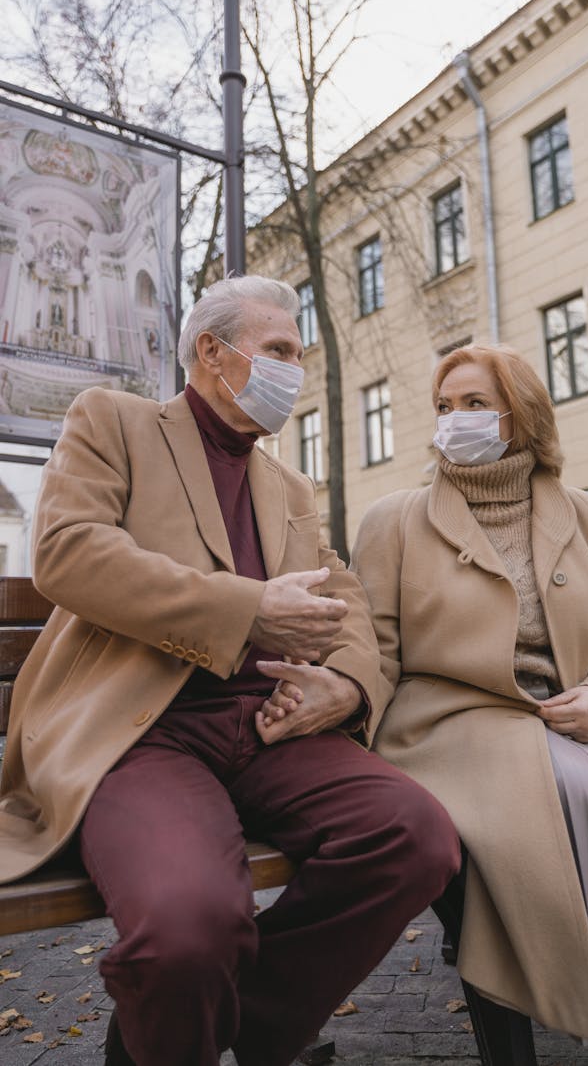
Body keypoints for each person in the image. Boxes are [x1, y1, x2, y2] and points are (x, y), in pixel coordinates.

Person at [0, 275, 460, 1066]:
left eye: (298, 353)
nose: (295, 368)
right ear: (212, 352)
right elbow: (68, 551)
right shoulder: (113, 420)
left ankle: (205, 1021)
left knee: (415, 836)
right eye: (278, 349)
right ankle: (180, 1006)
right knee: (189, 925)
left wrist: (344, 686)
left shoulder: (285, 482)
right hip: (140, 734)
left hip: (269, 728)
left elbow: (340, 593)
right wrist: (245, 609)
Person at [321, 344, 588, 1065]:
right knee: (570, 790)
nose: (456, 419)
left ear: (520, 417)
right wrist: (346, 729)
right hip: (451, 725)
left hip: (573, 716)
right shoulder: (394, 520)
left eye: (476, 404)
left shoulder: (587, 516)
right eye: (445, 406)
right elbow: (376, 652)